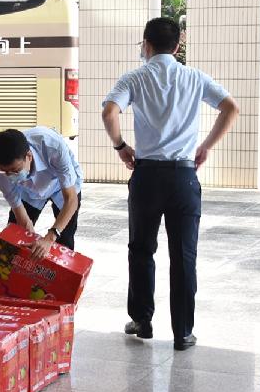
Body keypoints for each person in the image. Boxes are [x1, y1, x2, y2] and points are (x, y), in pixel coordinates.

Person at [102, 17, 239, 351]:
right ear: (178, 46)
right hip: (183, 177)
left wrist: (121, 147)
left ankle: (142, 321)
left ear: (146, 45)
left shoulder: (134, 77)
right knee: (183, 256)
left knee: (141, 250)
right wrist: (206, 147)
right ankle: (183, 333)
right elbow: (231, 108)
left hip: (147, 176)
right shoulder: (194, 77)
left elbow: (109, 112)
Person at [0, 127, 83, 259]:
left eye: (16, 170)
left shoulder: (53, 146)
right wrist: (30, 240)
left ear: (28, 156)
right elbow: (22, 219)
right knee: (15, 237)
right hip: (29, 189)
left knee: (64, 240)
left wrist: (49, 238)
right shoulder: (1, 174)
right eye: (6, 172)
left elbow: (71, 200)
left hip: (61, 184)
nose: (10, 175)